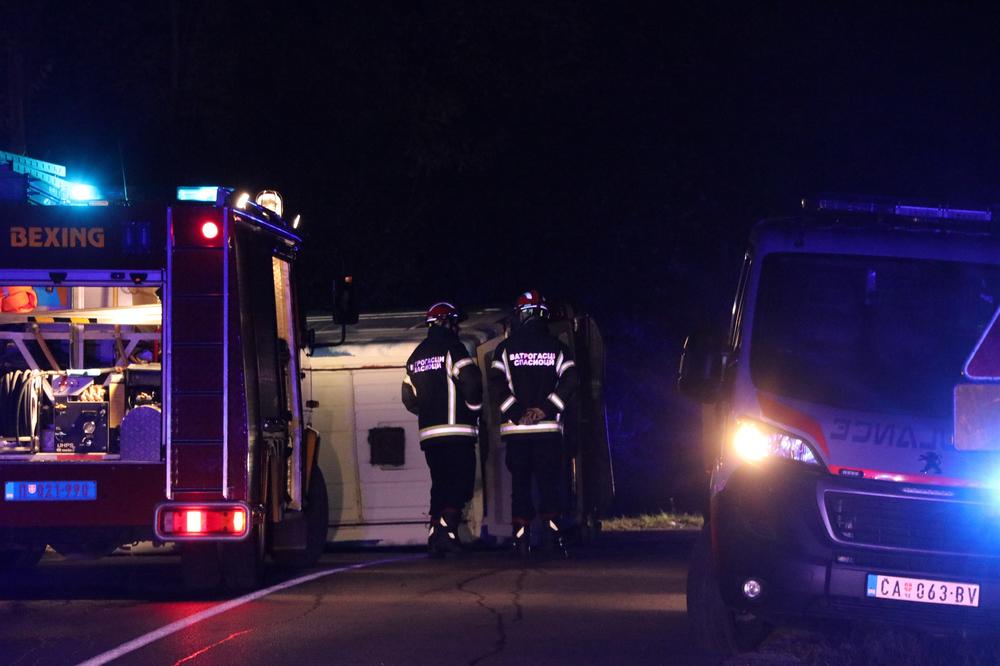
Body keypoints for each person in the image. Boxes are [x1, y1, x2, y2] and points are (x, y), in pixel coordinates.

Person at [489, 290, 579, 557]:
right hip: (549, 432)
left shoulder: (504, 349)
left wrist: (517, 412)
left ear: (521, 315)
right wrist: (546, 409)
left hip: (517, 433)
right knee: (549, 485)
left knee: (520, 486)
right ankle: (553, 537)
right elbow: (572, 380)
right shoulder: (558, 348)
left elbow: (495, 387)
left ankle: (521, 539)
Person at [402, 302, 483, 556]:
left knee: (440, 485)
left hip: (430, 436)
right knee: (459, 485)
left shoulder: (415, 356)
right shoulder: (453, 349)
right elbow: (472, 382)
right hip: (457, 433)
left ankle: (435, 537)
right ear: (445, 322)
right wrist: (473, 410)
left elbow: (408, 398)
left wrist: (429, 412)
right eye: (454, 321)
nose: (457, 327)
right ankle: (447, 535)